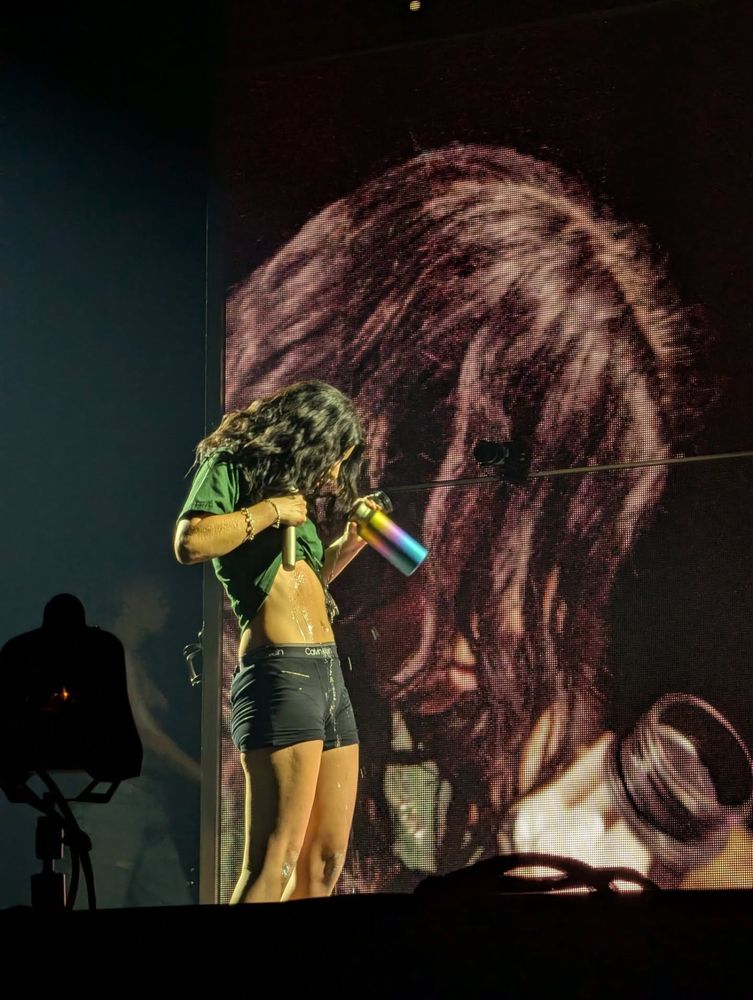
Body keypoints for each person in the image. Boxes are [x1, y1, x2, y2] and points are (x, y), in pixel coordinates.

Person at [221, 143, 716, 892]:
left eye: (554, 561)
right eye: (477, 543)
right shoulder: (196, 737)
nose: (514, 623)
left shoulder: (400, 722)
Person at [173, 379, 374, 902]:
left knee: (325, 862)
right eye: (334, 457)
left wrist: (347, 546)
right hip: (280, 674)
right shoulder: (231, 464)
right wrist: (269, 512)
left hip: (328, 676)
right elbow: (190, 541)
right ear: (311, 435)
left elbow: (301, 586)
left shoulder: (295, 497)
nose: (334, 475)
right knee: (275, 861)